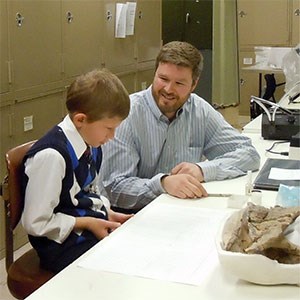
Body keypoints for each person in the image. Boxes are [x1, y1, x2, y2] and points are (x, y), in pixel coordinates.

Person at [100, 41, 260, 213]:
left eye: (179, 83)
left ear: (193, 85)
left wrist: (202, 170)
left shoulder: (199, 110)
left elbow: (249, 154)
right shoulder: (128, 114)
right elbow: (114, 188)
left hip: (184, 209)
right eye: (163, 79)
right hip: (134, 216)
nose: (168, 89)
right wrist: (163, 184)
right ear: (154, 74)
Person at [21, 69, 132, 273]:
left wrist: (108, 213)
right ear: (81, 120)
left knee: (134, 243)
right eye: (109, 128)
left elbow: (88, 192)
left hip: (84, 225)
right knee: (123, 264)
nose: (113, 136)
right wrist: (89, 222)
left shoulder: (92, 144)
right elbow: (36, 223)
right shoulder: (51, 157)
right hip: (59, 245)